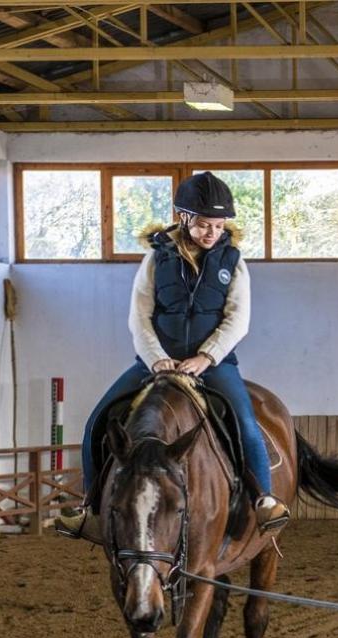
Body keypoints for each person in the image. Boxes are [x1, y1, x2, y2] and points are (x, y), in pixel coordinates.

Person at [57, 171, 289, 537]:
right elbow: (139, 316)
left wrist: (206, 357)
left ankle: (263, 499)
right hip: (155, 363)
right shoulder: (155, 259)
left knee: (245, 423)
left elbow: (237, 320)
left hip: (213, 366)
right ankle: (89, 507)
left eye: (217, 225)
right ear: (183, 218)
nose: (211, 233)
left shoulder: (233, 261)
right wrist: (156, 358)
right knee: (97, 421)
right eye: (202, 225)